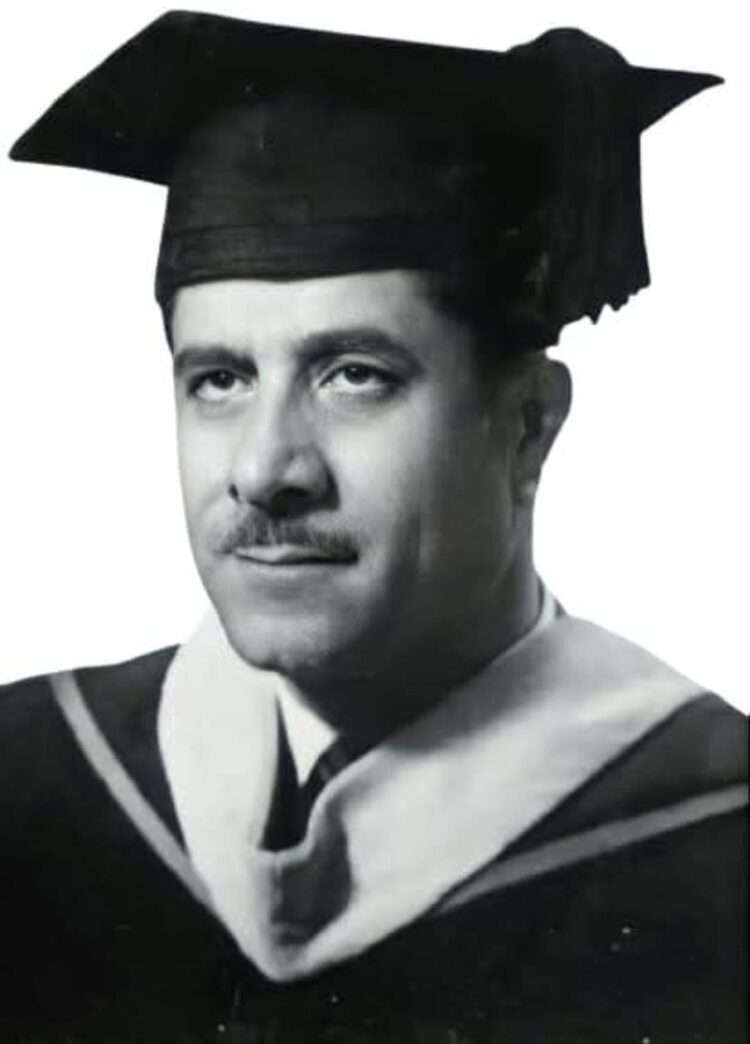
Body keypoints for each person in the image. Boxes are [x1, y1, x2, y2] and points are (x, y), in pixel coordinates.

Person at [1, 11, 746, 1044]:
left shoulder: (715, 849)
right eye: (218, 380)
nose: (265, 471)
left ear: (528, 425)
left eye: (355, 376)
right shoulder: (31, 783)